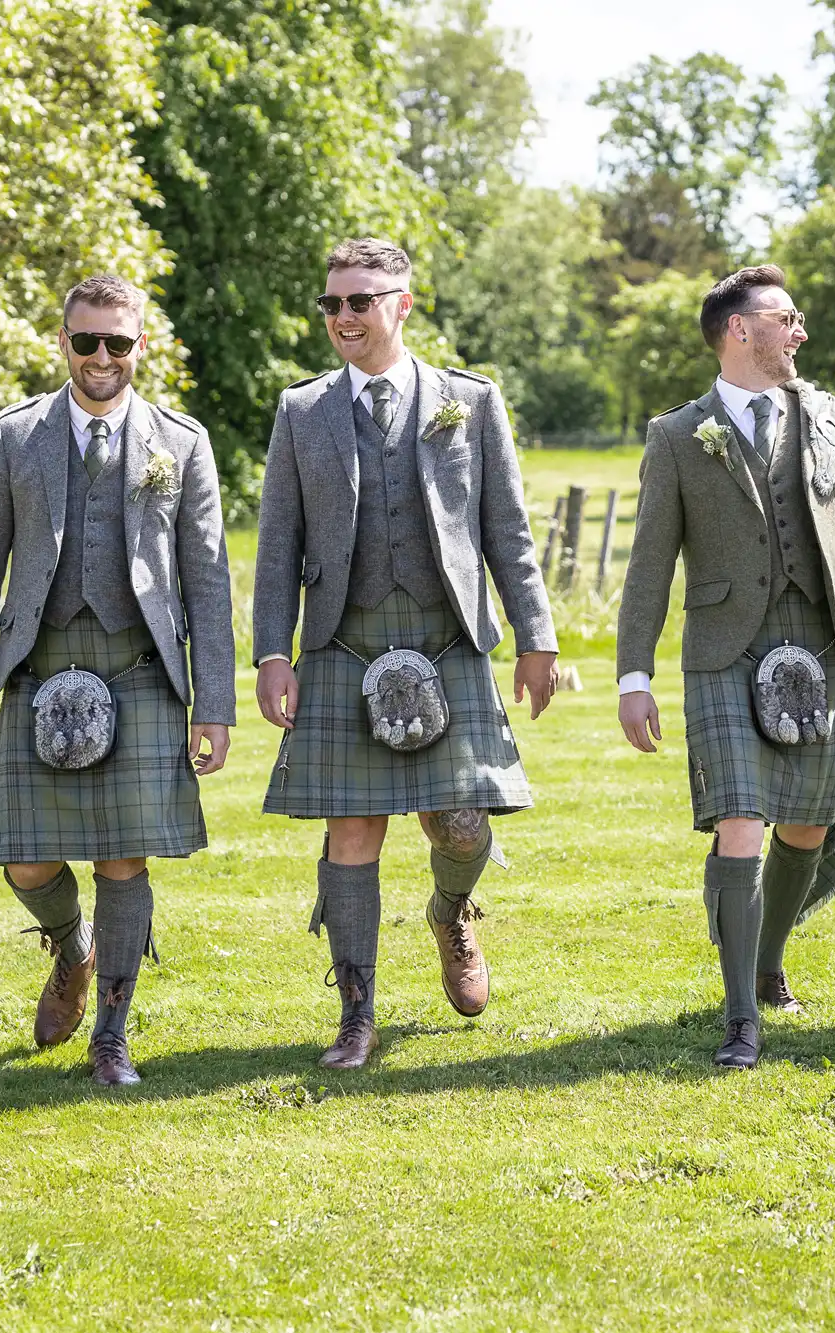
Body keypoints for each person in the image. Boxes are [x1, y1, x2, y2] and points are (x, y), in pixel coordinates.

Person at [253, 238, 558, 1070]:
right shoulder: (301, 411)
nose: (343, 317)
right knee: (352, 829)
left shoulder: (470, 399)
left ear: (403, 304)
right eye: (332, 304)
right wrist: (270, 655)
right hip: (343, 645)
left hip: (447, 635)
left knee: (461, 828)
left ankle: (451, 912)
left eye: (361, 300)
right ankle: (356, 1014)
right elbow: (276, 545)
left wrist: (537, 637)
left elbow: (508, 531)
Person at [616, 265, 835, 1071]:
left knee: (808, 827)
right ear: (739, 330)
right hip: (724, 646)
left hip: (824, 636)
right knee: (741, 819)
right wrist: (632, 675)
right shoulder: (679, 435)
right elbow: (649, 565)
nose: (799, 333)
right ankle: (740, 1016)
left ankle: (765, 956)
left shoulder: (833, 418)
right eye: (786, 318)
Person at [0, 274, 234, 1087]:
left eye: (117, 341)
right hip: (36, 668)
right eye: (85, 341)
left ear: (142, 344)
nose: (101, 356)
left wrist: (214, 703)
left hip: (139, 669)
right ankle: (72, 945)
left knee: (123, 859)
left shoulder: (182, 441)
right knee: (25, 859)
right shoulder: (15, 435)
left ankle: (112, 1034)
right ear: (63, 342)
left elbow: (208, 579)